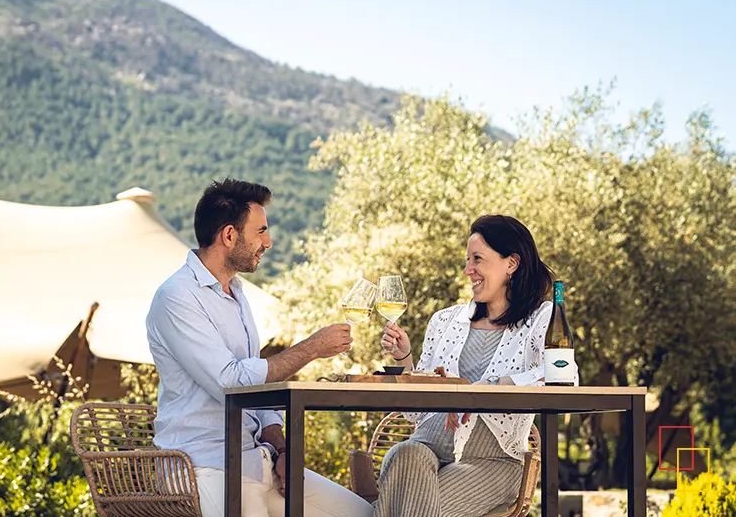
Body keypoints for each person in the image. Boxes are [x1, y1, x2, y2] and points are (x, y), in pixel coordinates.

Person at [146, 178, 373, 517]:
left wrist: (281, 449)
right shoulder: (177, 297)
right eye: (260, 231)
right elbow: (233, 383)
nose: (268, 242)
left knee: (362, 513)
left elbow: (257, 386)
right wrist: (312, 348)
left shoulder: (236, 293)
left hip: (256, 460)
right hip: (203, 465)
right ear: (228, 235)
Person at [376, 215, 575, 517]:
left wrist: (486, 390)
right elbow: (415, 412)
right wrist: (404, 359)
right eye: (468, 260)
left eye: (477, 259)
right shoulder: (444, 320)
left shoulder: (541, 318)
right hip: (425, 445)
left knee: (409, 506)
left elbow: (565, 376)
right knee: (404, 452)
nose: (468, 270)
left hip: (490, 461)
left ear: (512, 264)